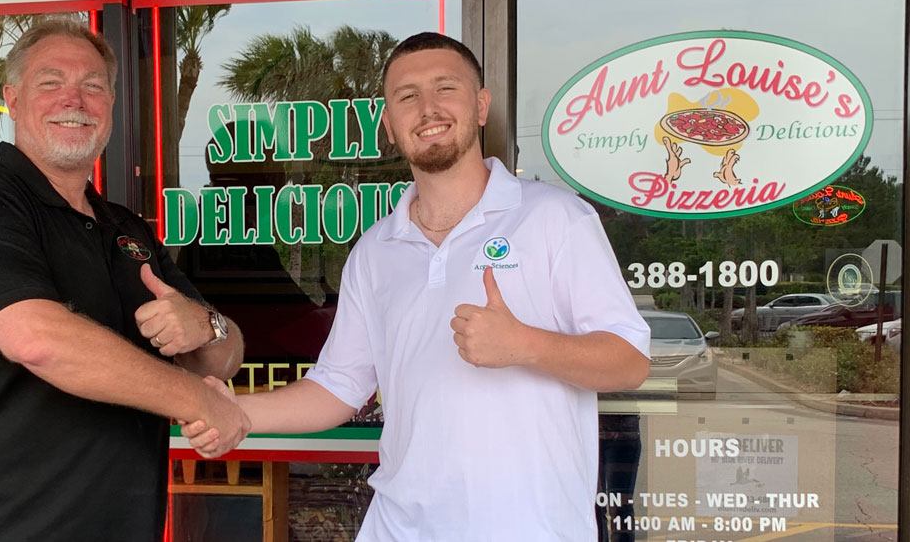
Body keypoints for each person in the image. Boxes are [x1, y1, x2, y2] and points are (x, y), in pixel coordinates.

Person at [183, 32, 651, 540]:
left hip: (530, 527)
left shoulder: (554, 219)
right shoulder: (376, 250)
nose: (427, 108)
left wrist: (525, 345)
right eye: (407, 96)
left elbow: (629, 361)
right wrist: (237, 411)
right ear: (389, 123)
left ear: (480, 105)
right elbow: (340, 385)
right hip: (399, 527)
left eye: (445, 88)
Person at [0, 18, 248, 541]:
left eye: (93, 86)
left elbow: (225, 358)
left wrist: (206, 325)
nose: (75, 100)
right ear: (13, 99)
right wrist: (196, 400)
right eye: (51, 83)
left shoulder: (125, 228)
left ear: (111, 106)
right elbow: (37, 339)